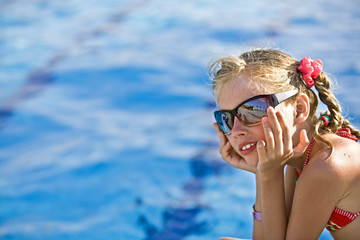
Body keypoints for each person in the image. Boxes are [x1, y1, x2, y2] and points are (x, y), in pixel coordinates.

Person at [209, 49, 360, 240]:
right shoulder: (300, 158)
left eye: (254, 110)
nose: (237, 129)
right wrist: (260, 171)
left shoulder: (327, 165)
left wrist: (269, 174)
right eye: (227, 118)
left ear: (299, 109)